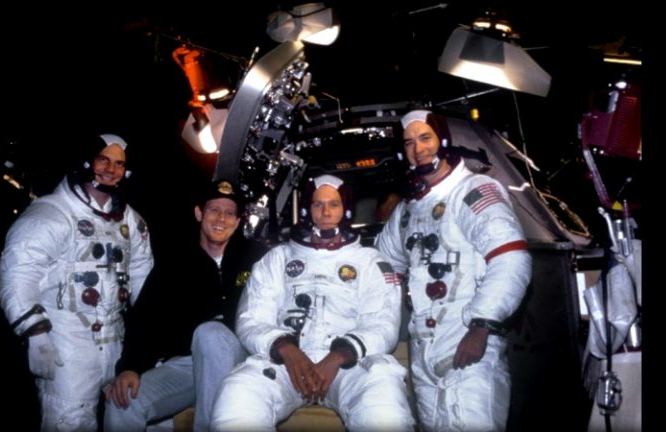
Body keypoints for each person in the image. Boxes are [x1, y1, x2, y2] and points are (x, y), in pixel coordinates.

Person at [211, 174, 415, 432]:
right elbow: (251, 319)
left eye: (334, 204)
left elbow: (383, 324)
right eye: (318, 204)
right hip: (287, 363)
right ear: (308, 209)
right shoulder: (278, 258)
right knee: (237, 397)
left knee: (383, 408)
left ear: (346, 209)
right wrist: (286, 348)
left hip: (348, 365)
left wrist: (340, 355)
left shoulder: (370, 262)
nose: (326, 212)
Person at [375, 110, 532, 431]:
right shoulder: (407, 211)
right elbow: (380, 266)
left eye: (425, 138)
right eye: (409, 143)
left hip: (468, 342)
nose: (418, 149)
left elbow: (511, 258)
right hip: (424, 349)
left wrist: (482, 325)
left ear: (443, 140)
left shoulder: (473, 191)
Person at [0, 133, 155, 431]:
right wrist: (35, 333)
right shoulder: (52, 214)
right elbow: (19, 272)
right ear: (86, 162)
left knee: (122, 415)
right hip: (67, 341)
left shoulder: (130, 221)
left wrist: (145, 338)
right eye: (103, 160)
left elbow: (143, 275)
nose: (111, 169)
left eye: (119, 164)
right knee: (70, 420)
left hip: (116, 338)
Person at [103, 179, 267, 432]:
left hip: (243, 361)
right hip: (188, 364)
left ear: (238, 221)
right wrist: (130, 367)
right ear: (199, 213)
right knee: (122, 402)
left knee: (210, 333)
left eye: (229, 213)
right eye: (214, 210)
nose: (221, 218)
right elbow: (145, 318)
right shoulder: (175, 263)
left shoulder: (257, 258)